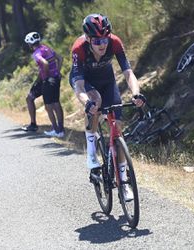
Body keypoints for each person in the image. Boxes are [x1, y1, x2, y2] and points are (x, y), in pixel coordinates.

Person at [69, 14, 146, 201]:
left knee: (117, 128)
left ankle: (124, 181)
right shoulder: (79, 48)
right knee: (96, 101)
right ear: (88, 39)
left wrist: (136, 94)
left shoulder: (115, 42)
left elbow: (128, 72)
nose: (102, 44)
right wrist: (86, 102)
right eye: (97, 41)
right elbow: (78, 86)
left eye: (105, 39)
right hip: (85, 83)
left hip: (107, 81)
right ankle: (91, 154)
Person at [22, 32, 65, 137]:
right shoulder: (46, 48)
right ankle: (61, 130)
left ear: (30, 44)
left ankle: (56, 130)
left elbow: (45, 63)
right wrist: (57, 72)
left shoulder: (36, 53)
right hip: (55, 79)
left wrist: (46, 76)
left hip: (47, 80)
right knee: (56, 104)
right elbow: (60, 58)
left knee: (49, 106)